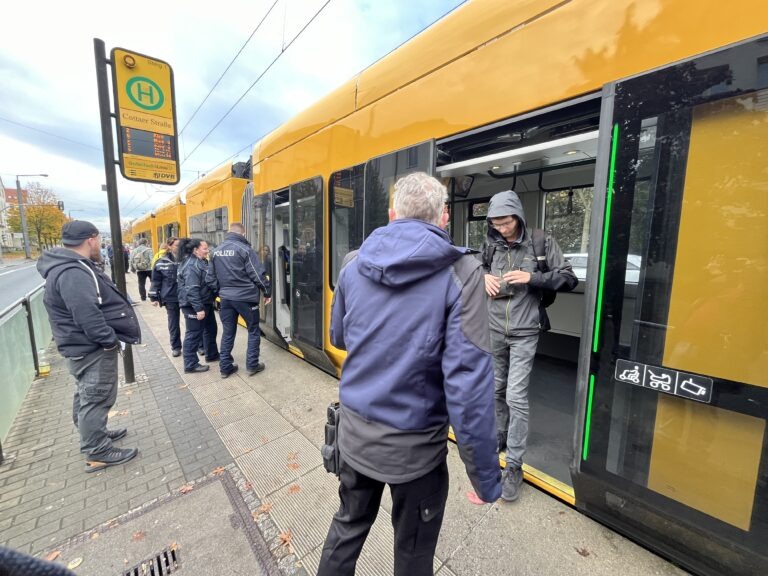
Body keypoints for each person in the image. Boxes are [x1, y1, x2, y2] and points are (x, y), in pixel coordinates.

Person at [316, 173, 501, 576]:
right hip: (416, 454)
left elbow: (339, 336)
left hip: (353, 438)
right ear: (444, 218)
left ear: (392, 213)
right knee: (414, 555)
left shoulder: (353, 263)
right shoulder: (462, 272)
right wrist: (485, 477)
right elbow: (467, 386)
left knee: (347, 528)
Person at [482, 190, 577, 502]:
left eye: (506, 222)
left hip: (525, 331)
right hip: (494, 329)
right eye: (495, 224)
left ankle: (514, 465)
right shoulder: (490, 244)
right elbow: (475, 269)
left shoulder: (541, 242)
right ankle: (499, 437)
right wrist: (483, 278)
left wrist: (532, 277)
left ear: (518, 217)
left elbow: (568, 277)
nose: (502, 228)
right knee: (495, 388)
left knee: (515, 395)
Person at [36, 221, 140, 473]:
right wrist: (109, 340)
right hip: (90, 347)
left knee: (88, 393)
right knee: (97, 396)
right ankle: (98, 451)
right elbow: (86, 313)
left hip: (79, 345)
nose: (99, 244)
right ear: (91, 239)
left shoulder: (67, 266)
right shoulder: (73, 272)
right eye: (98, 240)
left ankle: (95, 434)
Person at [207, 223, 271, 378]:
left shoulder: (215, 252)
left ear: (229, 233)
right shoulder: (245, 250)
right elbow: (257, 274)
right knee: (253, 330)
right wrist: (267, 292)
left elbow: (210, 278)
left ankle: (225, 368)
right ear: (243, 234)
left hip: (226, 299)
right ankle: (252, 365)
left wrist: (221, 292)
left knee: (228, 332)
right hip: (246, 299)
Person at [176, 238, 219, 373]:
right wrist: (199, 309)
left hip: (204, 302)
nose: (208, 251)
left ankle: (211, 354)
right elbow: (192, 289)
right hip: (194, 305)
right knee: (193, 334)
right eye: (205, 249)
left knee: (211, 329)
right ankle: (190, 364)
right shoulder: (191, 265)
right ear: (195, 250)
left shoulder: (198, 262)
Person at [148, 237, 182, 357]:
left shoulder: (188, 259)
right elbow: (156, 280)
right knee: (173, 323)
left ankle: (199, 346)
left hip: (186, 296)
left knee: (194, 323)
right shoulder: (161, 262)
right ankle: (176, 347)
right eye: (177, 245)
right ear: (170, 246)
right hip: (170, 296)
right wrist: (153, 297)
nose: (180, 247)